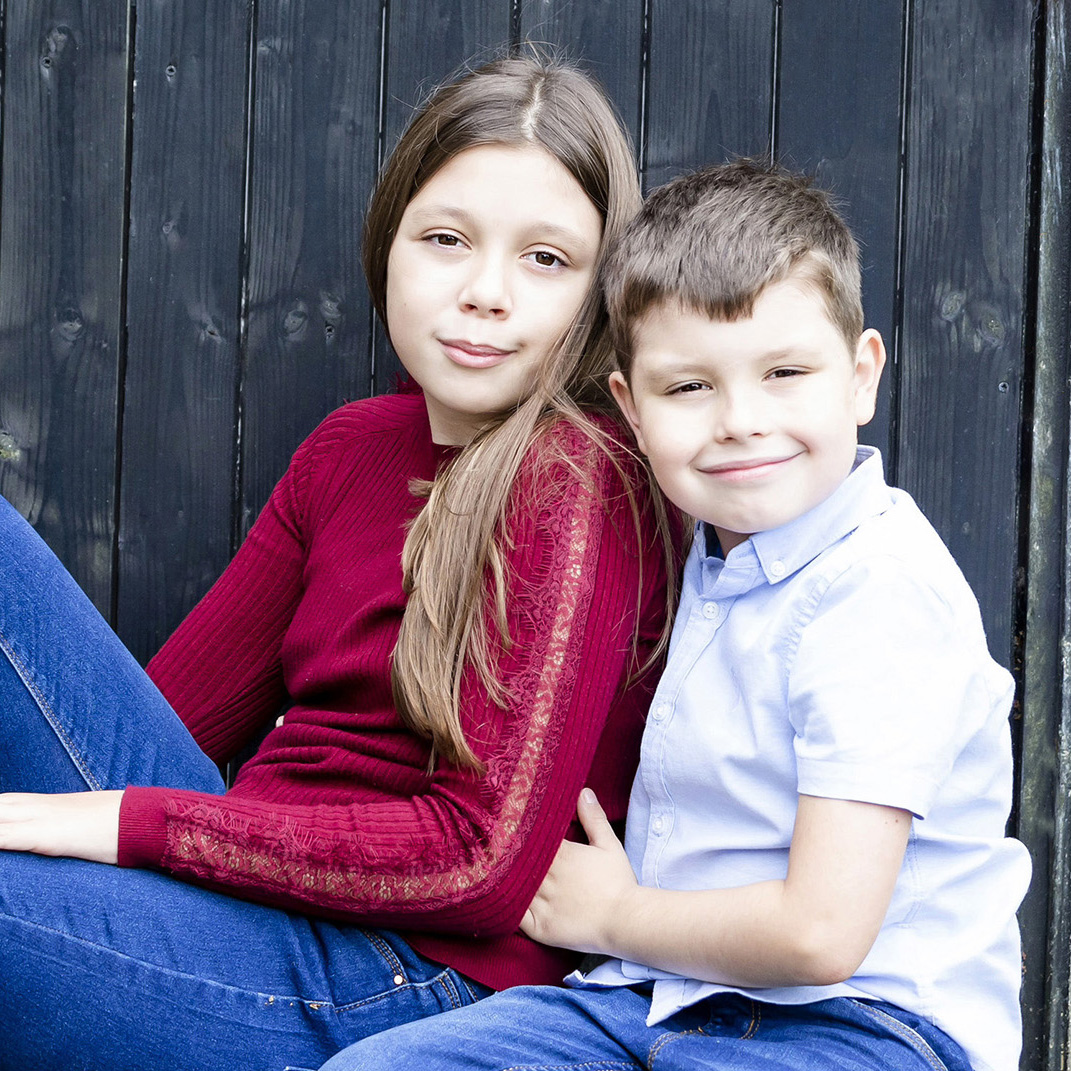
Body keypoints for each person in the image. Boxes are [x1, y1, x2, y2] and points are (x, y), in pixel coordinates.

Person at [0, 54, 675, 1071]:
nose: (486, 293)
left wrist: (123, 826)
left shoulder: (577, 479)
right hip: (244, 898)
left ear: (600, 293)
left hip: (407, 974)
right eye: (446, 240)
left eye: (546, 260)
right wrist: (103, 821)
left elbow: (479, 866)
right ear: (389, 246)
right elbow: (158, 728)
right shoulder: (351, 447)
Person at [318, 159, 1032, 1071]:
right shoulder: (704, 550)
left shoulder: (878, 591)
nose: (739, 420)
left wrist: (613, 914)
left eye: (784, 372)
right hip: (650, 997)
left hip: (858, 1024)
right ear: (632, 407)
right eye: (689, 387)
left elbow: (821, 932)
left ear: (860, 376)